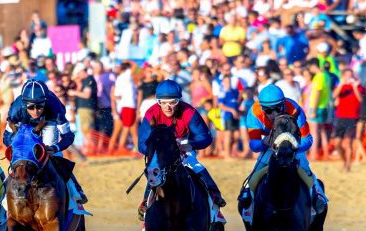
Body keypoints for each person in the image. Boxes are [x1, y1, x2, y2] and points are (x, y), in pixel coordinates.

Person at [137, 80, 227, 222]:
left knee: (194, 165)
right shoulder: (151, 113)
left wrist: (190, 145)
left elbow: (206, 137)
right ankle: (145, 202)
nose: (168, 107)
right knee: (154, 170)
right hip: (161, 149)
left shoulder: (189, 111)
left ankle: (215, 196)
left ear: (178, 101)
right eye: (163, 102)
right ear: (158, 101)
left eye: (172, 102)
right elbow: (141, 144)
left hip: (183, 144)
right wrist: (157, 149)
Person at [238, 85, 327, 215]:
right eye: (268, 111)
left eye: (278, 109)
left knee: (305, 169)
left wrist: (292, 147)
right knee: (256, 171)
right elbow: (254, 146)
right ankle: (248, 199)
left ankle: (317, 196)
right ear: (262, 108)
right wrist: (264, 142)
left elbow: (307, 140)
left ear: (283, 104)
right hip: (270, 147)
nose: (274, 115)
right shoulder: (254, 113)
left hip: (293, 147)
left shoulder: (294, 110)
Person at [3, 79, 88, 207]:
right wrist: (18, 149)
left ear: (45, 102)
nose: (36, 111)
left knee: (53, 155)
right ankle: (6, 194)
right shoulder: (16, 109)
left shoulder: (55, 107)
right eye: (31, 107)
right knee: (20, 157)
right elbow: (6, 138)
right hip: (25, 125)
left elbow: (68, 136)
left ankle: (75, 188)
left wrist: (55, 148)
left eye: (40, 106)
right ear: (24, 104)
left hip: (49, 122)